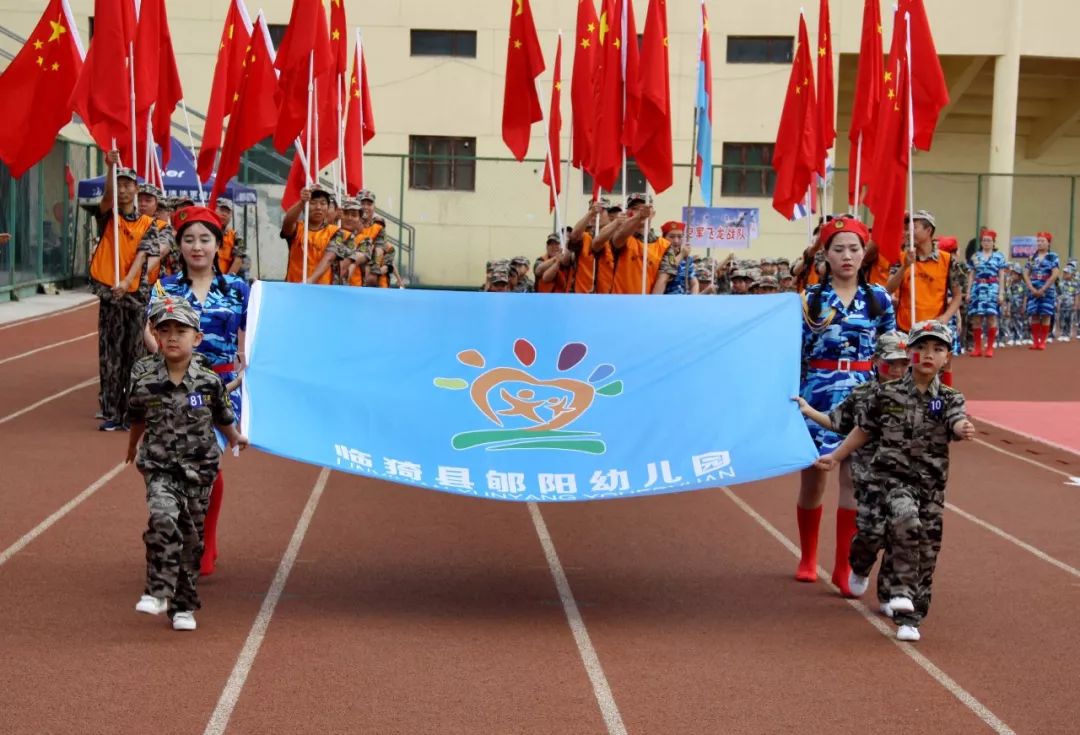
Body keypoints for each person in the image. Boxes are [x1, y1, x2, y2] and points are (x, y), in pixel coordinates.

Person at [815, 321, 975, 641]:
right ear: (911, 352)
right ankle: (892, 589)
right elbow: (863, 429)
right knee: (903, 519)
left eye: (937, 349)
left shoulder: (949, 398)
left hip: (931, 486)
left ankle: (910, 620)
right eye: (920, 348)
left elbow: (956, 419)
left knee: (926, 551)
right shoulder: (885, 394)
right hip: (892, 479)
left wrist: (961, 428)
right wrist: (835, 455)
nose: (928, 355)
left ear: (947, 359)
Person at [126, 298, 248, 632]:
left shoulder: (208, 380)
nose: (172, 337)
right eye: (164, 330)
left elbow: (222, 416)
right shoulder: (144, 378)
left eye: (181, 330)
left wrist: (235, 437)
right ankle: (158, 590)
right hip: (159, 466)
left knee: (191, 540)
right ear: (156, 336)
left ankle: (183, 606)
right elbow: (137, 417)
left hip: (198, 470)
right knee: (163, 519)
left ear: (196, 337)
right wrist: (132, 446)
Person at [146, 205, 250, 578]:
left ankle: (205, 539)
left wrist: (245, 367)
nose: (197, 247)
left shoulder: (237, 288)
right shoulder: (166, 287)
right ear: (179, 245)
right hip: (174, 384)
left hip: (222, 387)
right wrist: (165, 355)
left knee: (205, 461)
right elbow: (150, 330)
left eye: (205, 239)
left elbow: (253, 334)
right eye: (189, 239)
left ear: (218, 245)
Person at [796, 215, 896, 597]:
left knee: (853, 479)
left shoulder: (879, 299)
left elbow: (891, 350)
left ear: (864, 253)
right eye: (838, 249)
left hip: (862, 396)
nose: (847, 256)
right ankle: (808, 558)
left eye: (854, 249)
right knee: (814, 476)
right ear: (826, 254)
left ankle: (843, 567)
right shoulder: (811, 299)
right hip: (817, 394)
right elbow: (794, 350)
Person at [795, 330, 910, 617]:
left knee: (900, 527)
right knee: (820, 488)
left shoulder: (916, 394)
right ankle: (825, 563)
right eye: (890, 363)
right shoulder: (863, 394)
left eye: (903, 363)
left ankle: (878, 584)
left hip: (899, 473)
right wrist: (808, 410)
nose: (896, 370)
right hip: (824, 399)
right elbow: (838, 422)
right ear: (876, 361)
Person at [89, 151, 159, 431]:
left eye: (129, 184)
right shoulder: (109, 217)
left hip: (135, 298)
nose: (124, 189)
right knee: (110, 356)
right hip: (110, 297)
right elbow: (107, 197)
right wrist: (110, 169)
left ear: (137, 189)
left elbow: (149, 258)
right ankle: (111, 412)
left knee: (136, 356)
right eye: (120, 184)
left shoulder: (149, 226)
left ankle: (132, 411)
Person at [886, 210, 963, 385]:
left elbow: (958, 296)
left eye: (913, 228)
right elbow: (888, 289)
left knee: (940, 371)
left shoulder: (947, 260)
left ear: (928, 231)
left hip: (934, 328)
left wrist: (945, 317)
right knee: (906, 372)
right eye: (905, 229)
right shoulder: (900, 258)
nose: (907, 232)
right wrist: (904, 267)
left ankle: (942, 405)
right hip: (907, 329)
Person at [593, 193, 670, 295]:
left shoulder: (664, 245)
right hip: (619, 302)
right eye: (634, 208)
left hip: (645, 303)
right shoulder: (623, 236)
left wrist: (651, 304)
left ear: (653, 213)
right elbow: (618, 238)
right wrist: (638, 217)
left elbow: (663, 278)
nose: (640, 211)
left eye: (643, 208)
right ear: (629, 212)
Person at [281, 186, 340, 284]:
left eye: (323, 203)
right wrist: (301, 202)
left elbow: (329, 258)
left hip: (322, 290)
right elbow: (287, 223)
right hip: (295, 287)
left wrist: (310, 280)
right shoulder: (298, 228)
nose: (318, 207)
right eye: (313, 202)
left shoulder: (336, 232)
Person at [965, 229, 1008, 357]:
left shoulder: (999, 256)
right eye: (984, 240)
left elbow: (1001, 275)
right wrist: (968, 291)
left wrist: (1001, 292)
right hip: (978, 287)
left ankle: (989, 347)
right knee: (976, 318)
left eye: (989, 240)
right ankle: (978, 347)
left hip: (992, 288)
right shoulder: (975, 256)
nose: (986, 243)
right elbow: (971, 275)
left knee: (991, 317)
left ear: (994, 242)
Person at [1024, 232, 1061, 350]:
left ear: (1048, 243)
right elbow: (1026, 273)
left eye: (1042, 241)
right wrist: (1031, 288)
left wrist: (1044, 288)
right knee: (1034, 314)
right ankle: (1035, 341)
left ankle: (1042, 341)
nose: (1039, 243)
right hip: (1033, 287)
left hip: (1047, 288)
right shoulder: (1032, 257)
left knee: (1045, 314)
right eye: (1038, 241)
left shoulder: (1053, 256)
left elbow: (1055, 273)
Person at [654, 221, 698, 295]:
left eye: (680, 237)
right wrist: (682, 254)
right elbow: (669, 267)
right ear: (663, 238)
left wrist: (693, 299)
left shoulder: (687, 259)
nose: (676, 241)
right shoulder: (658, 255)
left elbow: (694, 283)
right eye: (671, 237)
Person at [214, 198, 247, 277]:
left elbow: (239, 259)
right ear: (214, 210)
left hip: (225, 279)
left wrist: (226, 280)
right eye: (222, 210)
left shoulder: (235, 236)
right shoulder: (205, 232)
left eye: (228, 212)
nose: (224, 214)